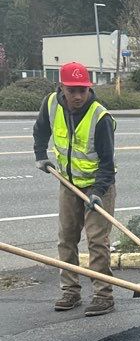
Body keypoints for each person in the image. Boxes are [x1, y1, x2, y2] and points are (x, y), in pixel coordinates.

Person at [33, 61, 117, 316]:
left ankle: (104, 295)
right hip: (68, 183)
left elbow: (107, 162)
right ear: (62, 88)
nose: (79, 96)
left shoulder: (100, 117)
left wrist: (98, 192)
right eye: (73, 90)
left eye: (83, 90)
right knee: (67, 238)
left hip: (98, 186)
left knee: (96, 240)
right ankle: (70, 291)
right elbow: (40, 131)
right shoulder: (50, 104)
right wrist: (40, 154)